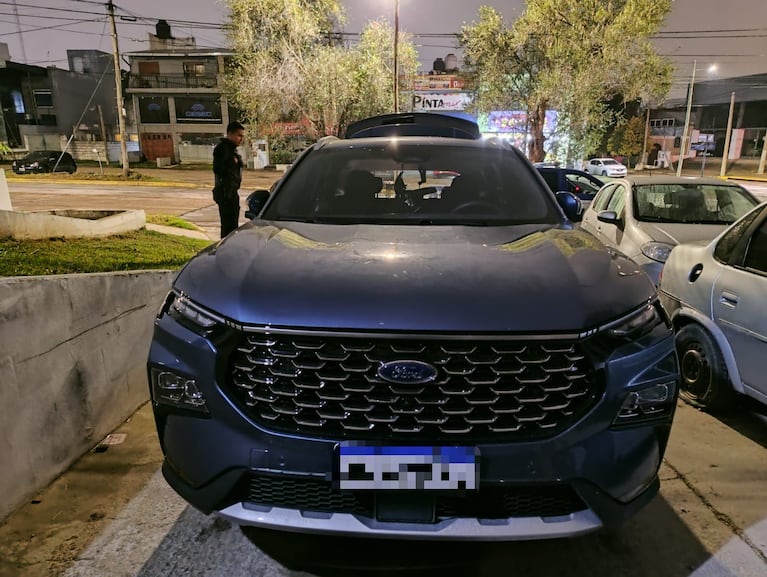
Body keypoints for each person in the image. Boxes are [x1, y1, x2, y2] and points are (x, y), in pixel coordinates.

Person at [212, 121, 245, 237]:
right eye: (239, 135)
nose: (241, 139)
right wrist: (232, 162)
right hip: (226, 192)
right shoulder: (223, 149)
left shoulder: (231, 150)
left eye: (242, 136)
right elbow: (218, 169)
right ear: (230, 134)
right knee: (228, 227)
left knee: (232, 226)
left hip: (231, 191)